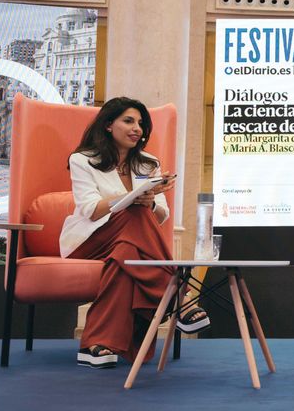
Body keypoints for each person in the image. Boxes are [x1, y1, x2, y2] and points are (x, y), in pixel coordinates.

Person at [60, 97, 209, 369]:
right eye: (128, 121)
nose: (137, 128)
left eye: (141, 123)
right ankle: (180, 296)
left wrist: (149, 200)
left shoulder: (148, 163)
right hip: (89, 239)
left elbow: (160, 214)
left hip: (126, 240)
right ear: (108, 124)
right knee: (132, 211)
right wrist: (131, 196)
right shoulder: (83, 160)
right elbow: (91, 209)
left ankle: (96, 345)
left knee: (126, 254)